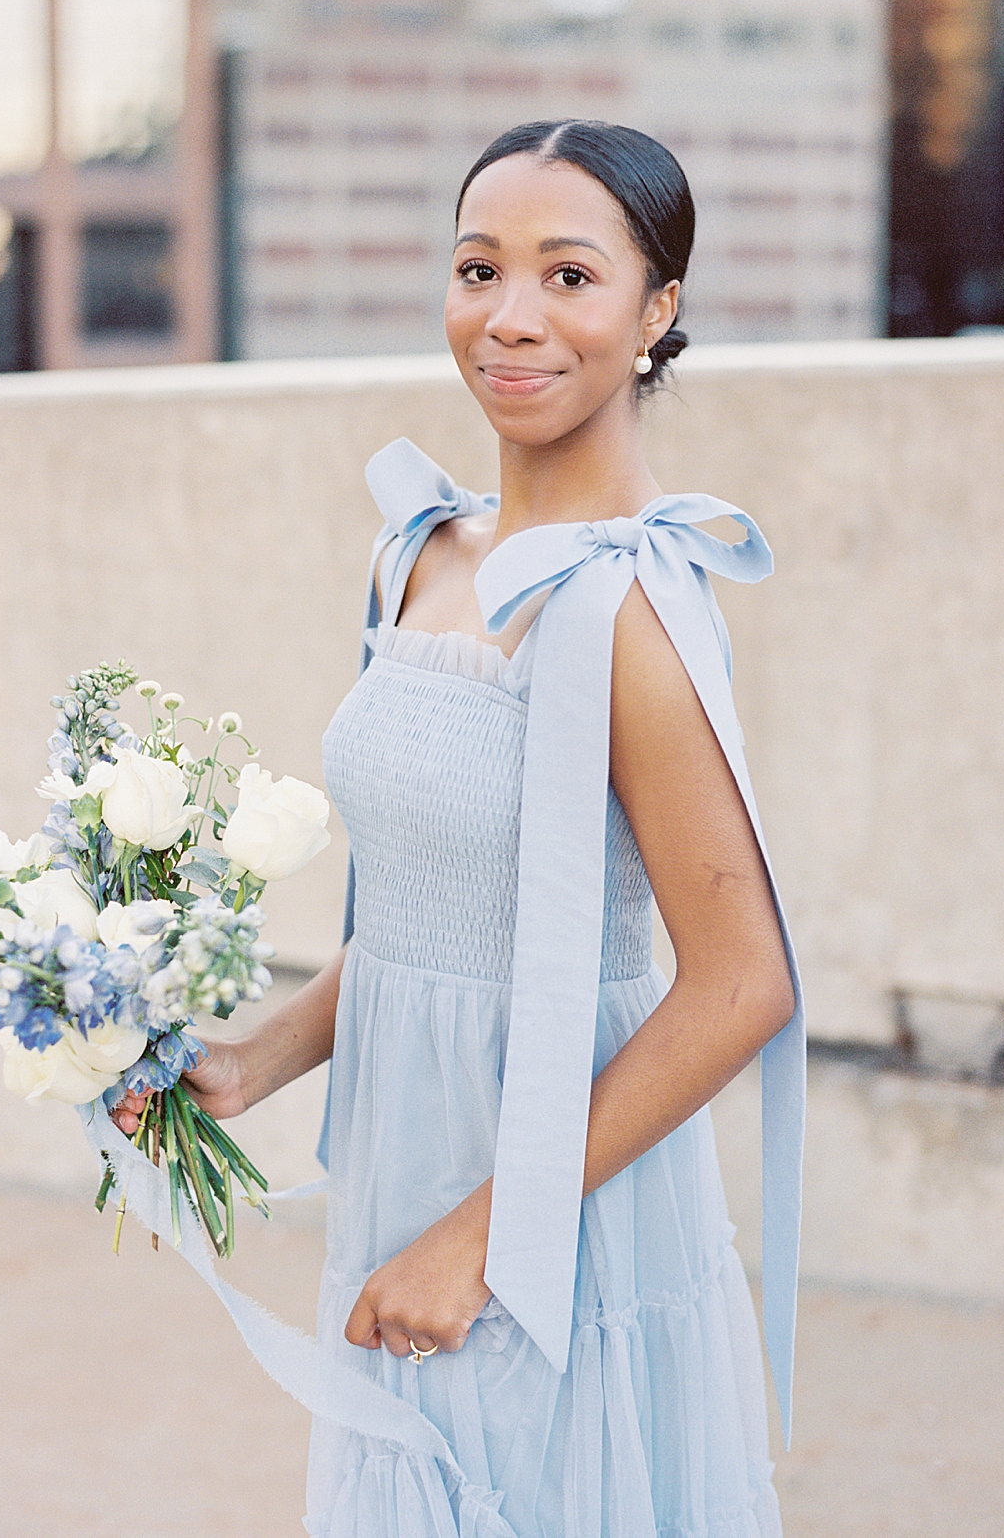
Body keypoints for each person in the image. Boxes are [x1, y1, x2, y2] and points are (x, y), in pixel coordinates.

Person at [112, 118, 806, 1537]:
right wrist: (258, 1062)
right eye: (479, 268)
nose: (510, 319)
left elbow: (745, 985)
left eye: (569, 277)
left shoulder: (632, 609)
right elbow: (443, 906)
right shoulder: (417, 550)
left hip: (554, 1192)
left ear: (656, 311)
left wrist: (486, 1241)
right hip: (402, 1145)